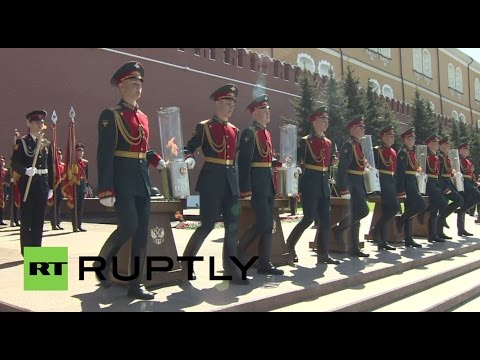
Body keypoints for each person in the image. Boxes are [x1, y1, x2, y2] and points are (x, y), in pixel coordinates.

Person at [96, 61, 166, 300]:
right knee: (129, 226)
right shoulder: (111, 115)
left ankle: (136, 285)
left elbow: (143, 149)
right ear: (122, 86)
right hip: (122, 181)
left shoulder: (143, 117)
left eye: (140, 85)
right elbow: (104, 154)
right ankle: (103, 262)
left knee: (141, 233)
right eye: (134, 84)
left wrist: (157, 161)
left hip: (142, 181)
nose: (138, 89)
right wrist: (105, 189)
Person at [182, 84, 249, 284]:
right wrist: (189, 157)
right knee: (207, 225)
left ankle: (231, 268)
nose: (231, 108)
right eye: (227, 103)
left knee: (232, 226)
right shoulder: (205, 127)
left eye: (233, 104)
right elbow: (190, 146)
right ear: (218, 103)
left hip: (231, 182)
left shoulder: (234, 130)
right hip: (212, 181)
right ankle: (186, 264)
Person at [285, 106, 340, 265]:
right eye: (323, 120)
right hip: (310, 183)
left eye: (327, 120)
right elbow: (295, 160)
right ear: (314, 122)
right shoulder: (306, 141)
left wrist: (333, 162)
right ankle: (289, 244)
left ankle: (323, 254)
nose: (326, 123)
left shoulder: (329, 142)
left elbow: (328, 163)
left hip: (323, 184)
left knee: (325, 219)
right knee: (308, 218)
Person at [237, 94, 284, 275]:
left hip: (267, 182)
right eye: (264, 109)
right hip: (256, 184)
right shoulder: (250, 133)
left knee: (268, 223)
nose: (268, 112)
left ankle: (265, 263)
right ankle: (239, 250)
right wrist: (245, 189)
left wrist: (277, 163)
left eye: (268, 109)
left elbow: (265, 157)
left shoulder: (266, 133)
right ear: (255, 112)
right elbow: (244, 162)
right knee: (263, 222)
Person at [11, 110, 54, 256]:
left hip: (42, 185)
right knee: (27, 219)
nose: (40, 124)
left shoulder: (46, 143)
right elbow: (14, 163)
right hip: (28, 185)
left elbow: (50, 166)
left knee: (39, 220)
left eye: (41, 122)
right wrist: (25, 170)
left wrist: (51, 187)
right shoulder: (22, 142)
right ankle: (27, 250)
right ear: (29, 124)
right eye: (37, 122)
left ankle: (36, 250)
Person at [331, 115, 370, 257]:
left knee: (357, 218)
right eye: (360, 127)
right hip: (352, 184)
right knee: (363, 211)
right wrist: (343, 188)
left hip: (359, 183)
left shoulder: (358, 145)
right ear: (352, 129)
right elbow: (342, 168)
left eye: (363, 127)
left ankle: (354, 248)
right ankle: (339, 228)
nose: (363, 129)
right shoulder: (349, 145)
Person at [394, 128, 426, 247]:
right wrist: (401, 189)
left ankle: (408, 238)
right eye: (411, 138)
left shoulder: (411, 152)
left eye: (414, 138)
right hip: (407, 184)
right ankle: (401, 219)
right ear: (406, 139)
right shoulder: (403, 153)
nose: (414, 140)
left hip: (413, 182)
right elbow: (400, 172)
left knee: (410, 209)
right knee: (421, 205)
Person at [371, 125, 398, 251]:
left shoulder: (393, 151)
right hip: (382, 182)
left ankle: (378, 232)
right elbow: (372, 167)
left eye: (393, 136)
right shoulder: (377, 150)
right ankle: (381, 239)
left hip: (390, 181)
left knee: (393, 209)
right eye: (390, 135)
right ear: (383, 137)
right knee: (389, 209)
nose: (392, 138)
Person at [437, 136, 464, 239]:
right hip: (443, 184)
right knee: (453, 202)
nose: (448, 146)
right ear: (440, 146)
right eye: (445, 144)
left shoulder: (446, 158)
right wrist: (444, 187)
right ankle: (440, 226)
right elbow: (438, 174)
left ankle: (442, 220)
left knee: (459, 200)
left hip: (449, 182)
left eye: (448, 145)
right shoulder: (440, 158)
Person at [423, 134, 447, 243]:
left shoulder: (436, 157)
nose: (437, 144)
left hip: (435, 182)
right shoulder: (426, 155)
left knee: (434, 210)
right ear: (429, 144)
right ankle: (423, 211)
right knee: (442, 203)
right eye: (435, 142)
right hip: (429, 183)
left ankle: (432, 235)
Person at [457, 142, 480, 236]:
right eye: (465, 149)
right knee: (478, 196)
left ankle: (461, 230)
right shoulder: (458, 160)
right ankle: (463, 209)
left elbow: (471, 173)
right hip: (464, 183)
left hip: (470, 182)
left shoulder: (467, 161)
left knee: (464, 206)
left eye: (467, 149)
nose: (467, 151)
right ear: (460, 150)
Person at [49, 148, 65, 230]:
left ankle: (58, 222)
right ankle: (54, 224)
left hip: (61, 187)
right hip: (54, 186)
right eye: (57, 154)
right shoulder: (52, 166)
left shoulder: (63, 165)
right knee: (54, 206)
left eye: (60, 154)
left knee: (58, 206)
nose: (59, 156)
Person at [74, 143, 88, 232]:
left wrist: (86, 187)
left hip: (82, 186)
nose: (81, 152)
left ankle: (79, 225)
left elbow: (87, 177)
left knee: (80, 207)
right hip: (75, 186)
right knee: (74, 207)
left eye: (82, 150)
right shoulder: (72, 162)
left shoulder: (85, 163)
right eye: (79, 150)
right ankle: (75, 225)